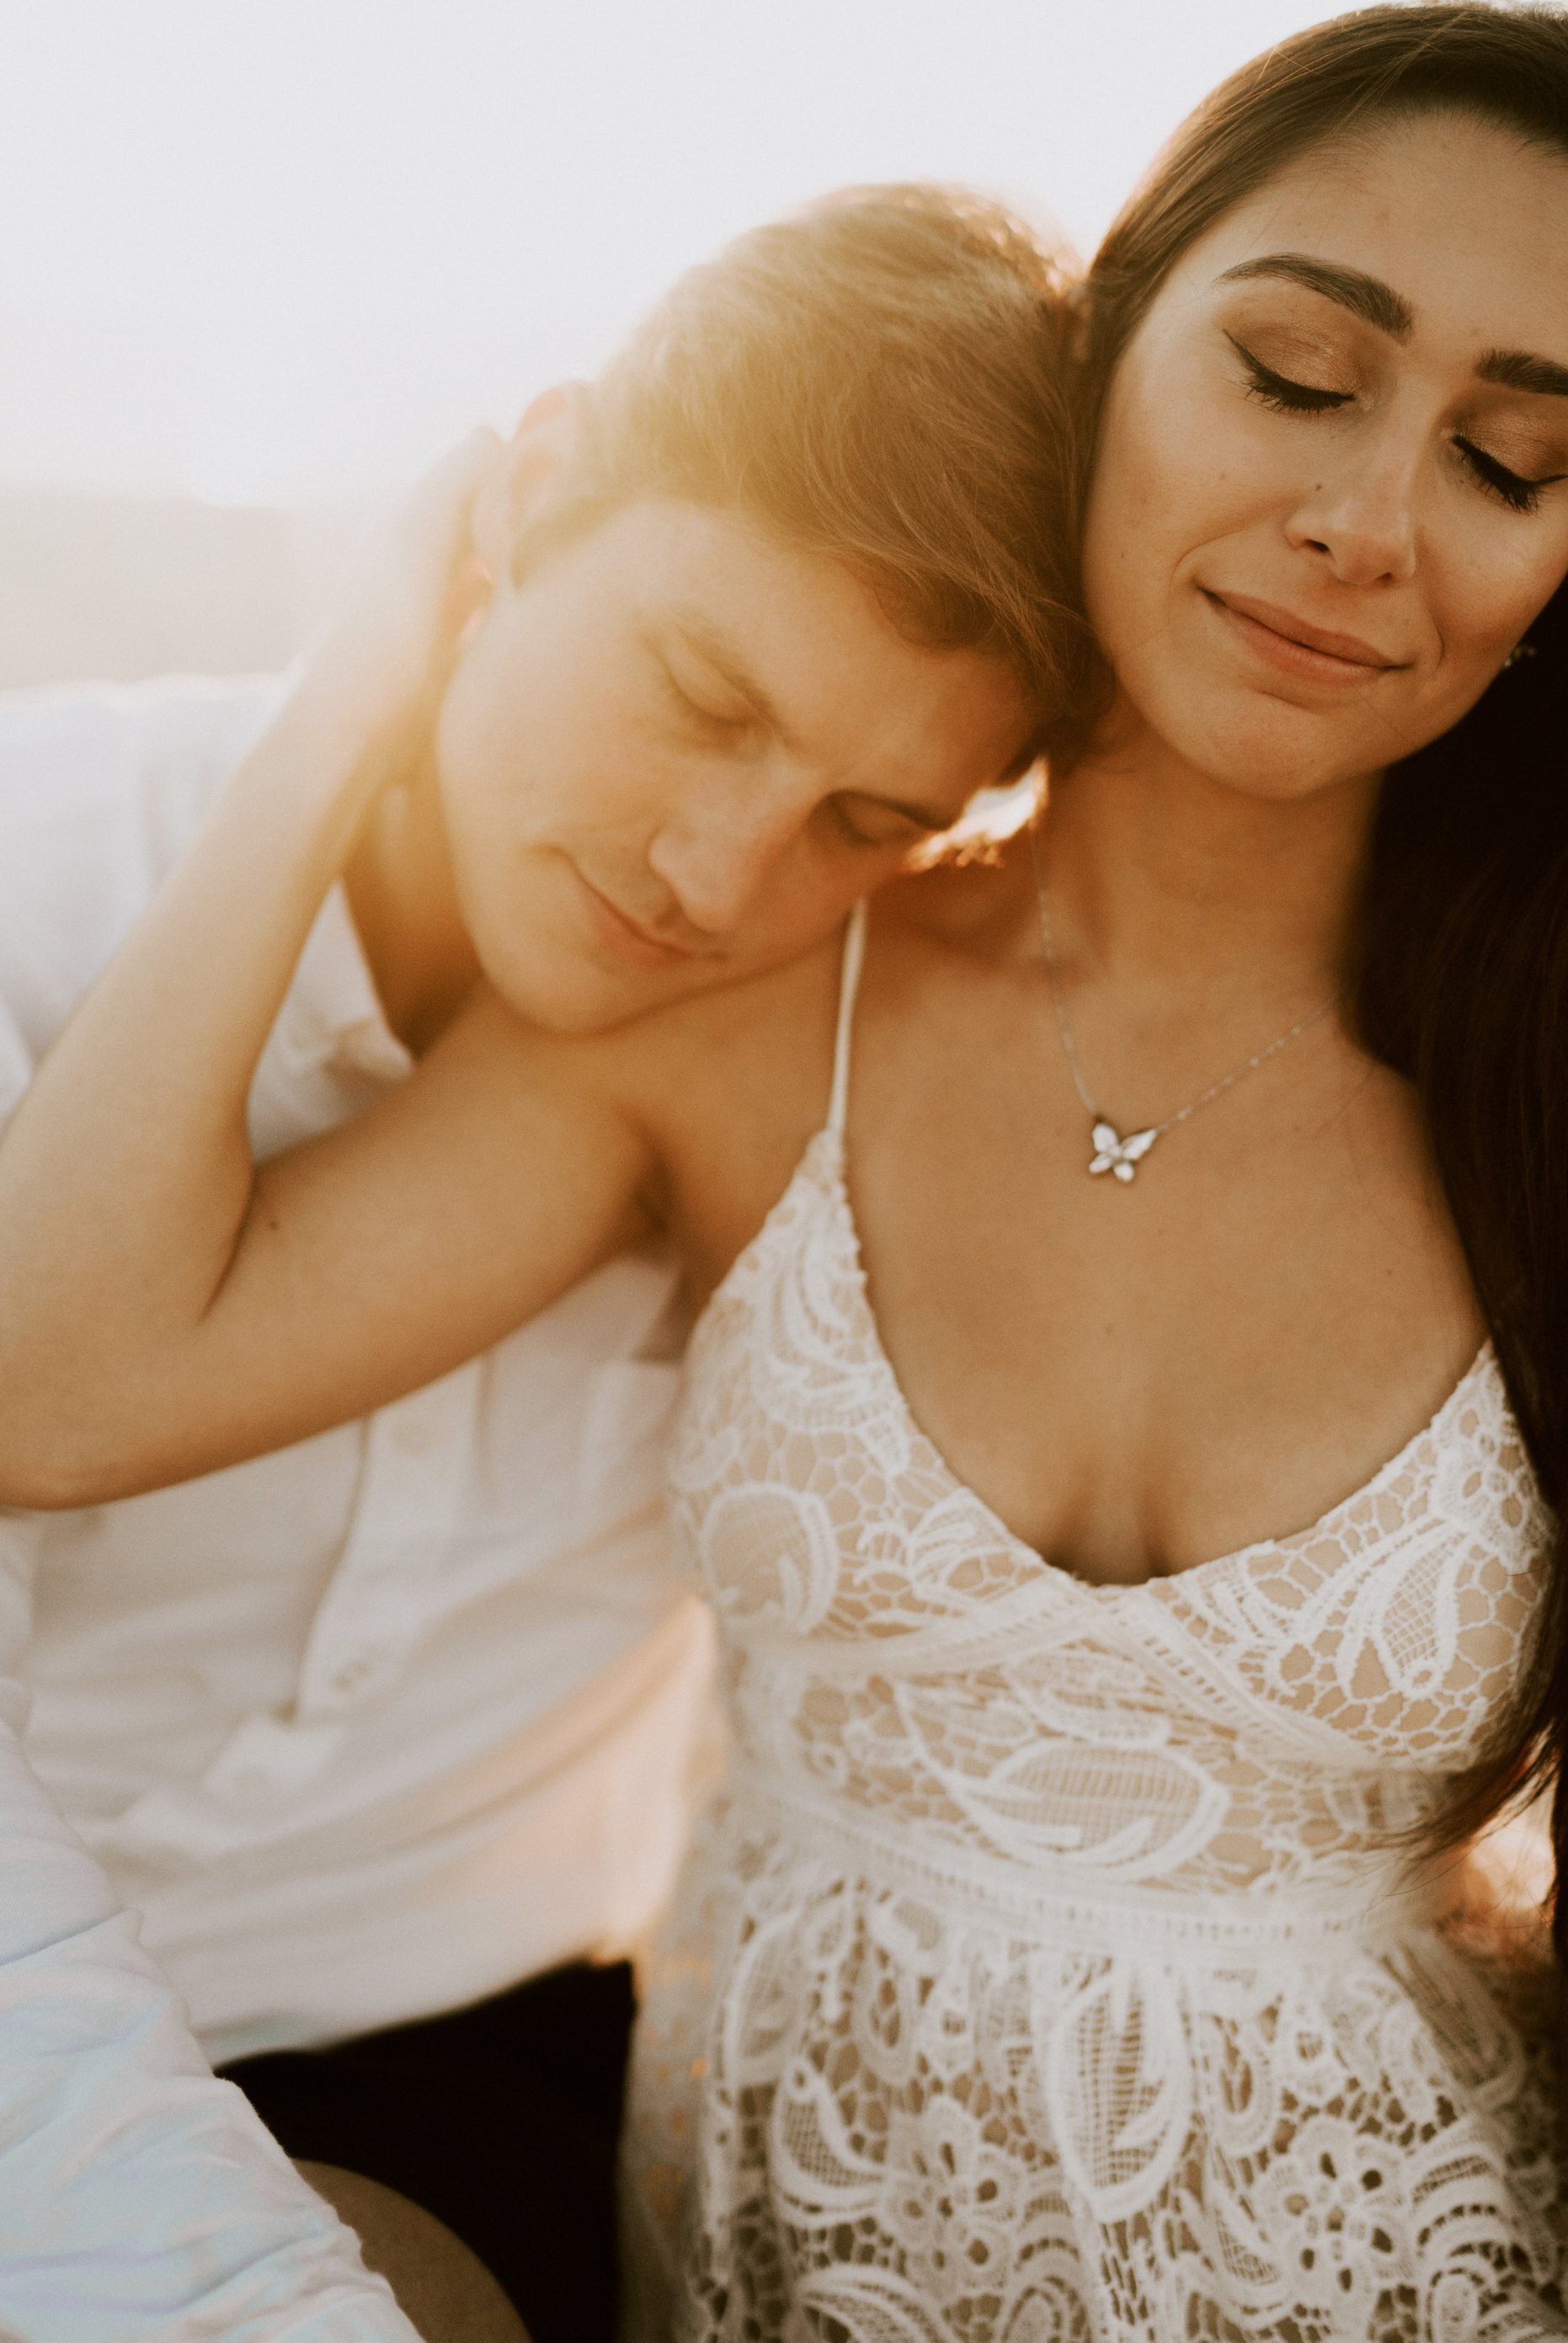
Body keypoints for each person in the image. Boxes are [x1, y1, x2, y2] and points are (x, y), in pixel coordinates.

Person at [3, 6, 1568, 2335]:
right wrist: (366, 672)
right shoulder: (762, 997)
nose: (1364, 518)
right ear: (1120, 345)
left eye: (1511, 457)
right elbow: (56, 1381)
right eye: (1299, 372)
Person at [0, 185, 1091, 2343]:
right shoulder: (39, 883)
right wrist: (333, 735)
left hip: (438, 2059)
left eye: (871, 820)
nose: (717, 873)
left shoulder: (807, 1054)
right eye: (699, 691)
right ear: (523, 500)